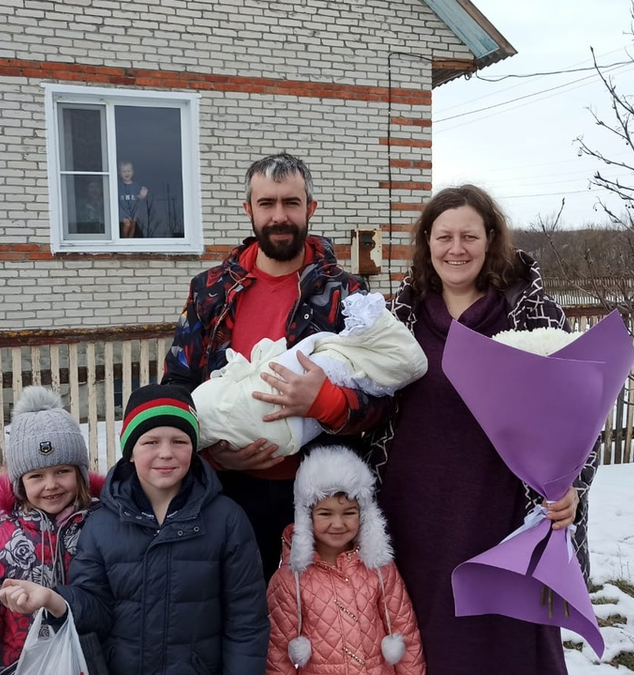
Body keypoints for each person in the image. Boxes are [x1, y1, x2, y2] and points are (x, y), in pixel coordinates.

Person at [369, 184, 594, 674]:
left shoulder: (534, 315)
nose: (456, 249)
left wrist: (570, 486)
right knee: (417, 641)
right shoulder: (398, 318)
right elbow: (367, 409)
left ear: (490, 239)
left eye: (469, 236)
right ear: (427, 241)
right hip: (411, 513)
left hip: (498, 510)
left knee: (501, 642)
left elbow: (579, 414)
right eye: (444, 236)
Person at [162, 151, 391, 579]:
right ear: (249, 210)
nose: (279, 216)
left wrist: (326, 402)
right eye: (267, 204)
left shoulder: (349, 295)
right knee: (240, 616)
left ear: (311, 209)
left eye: (291, 203)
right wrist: (211, 452)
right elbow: (176, 384)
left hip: (323, 504)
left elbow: (383, 396)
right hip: (226, 492)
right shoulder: (211, 291)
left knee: (315, 627)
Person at [0, 384, 269, 675]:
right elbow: (96, 609)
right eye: (150, 442)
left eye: (179, 441)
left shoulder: (226, 520)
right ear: (130, 451)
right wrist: (54, 600)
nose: (166, 453)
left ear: (194, 447)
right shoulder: (102, 523)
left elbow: (246, 621)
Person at [0, 386, 102, 675]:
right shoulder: (1, 544)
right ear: (20, 483)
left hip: (91, 662)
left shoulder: (101, 526)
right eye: (37, 476)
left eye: (62, 471)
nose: (51, 484)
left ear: (79, 474)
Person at [266, 445, 426, 675]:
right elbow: (278, 653)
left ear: (364, 514)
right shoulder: (289, 580)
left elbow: (406, 632)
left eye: (349, 513)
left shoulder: (380, 568)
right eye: (325, 513)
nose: (338, 524)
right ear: (306, 517)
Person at [118, 160, 149, 238]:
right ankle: (124, 241)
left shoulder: (136, 186)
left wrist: (143, 195)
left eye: (128, 171)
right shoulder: (118, 186)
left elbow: (138, 197)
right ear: (119, 173)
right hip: (123, 211)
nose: (126, 173)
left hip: (133, 211)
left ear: (132, 172)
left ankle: (130, 241)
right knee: (126, 224)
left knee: (133, 224)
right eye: (124, 171)